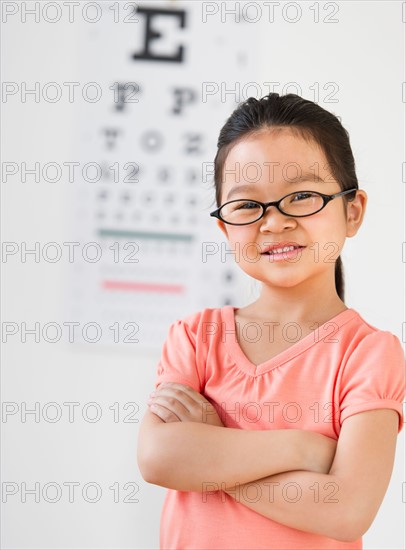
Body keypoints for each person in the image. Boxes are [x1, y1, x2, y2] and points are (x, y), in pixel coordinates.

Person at [137, 93, 405, 549]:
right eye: (247, 206)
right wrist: (300, 450)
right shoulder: (196, 337)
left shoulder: (369, 354)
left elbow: (346, 510)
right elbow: (160, 458)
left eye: (301, 196)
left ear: (352, 210)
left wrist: (213, 449)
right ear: (224, 227)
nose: (273, 223)